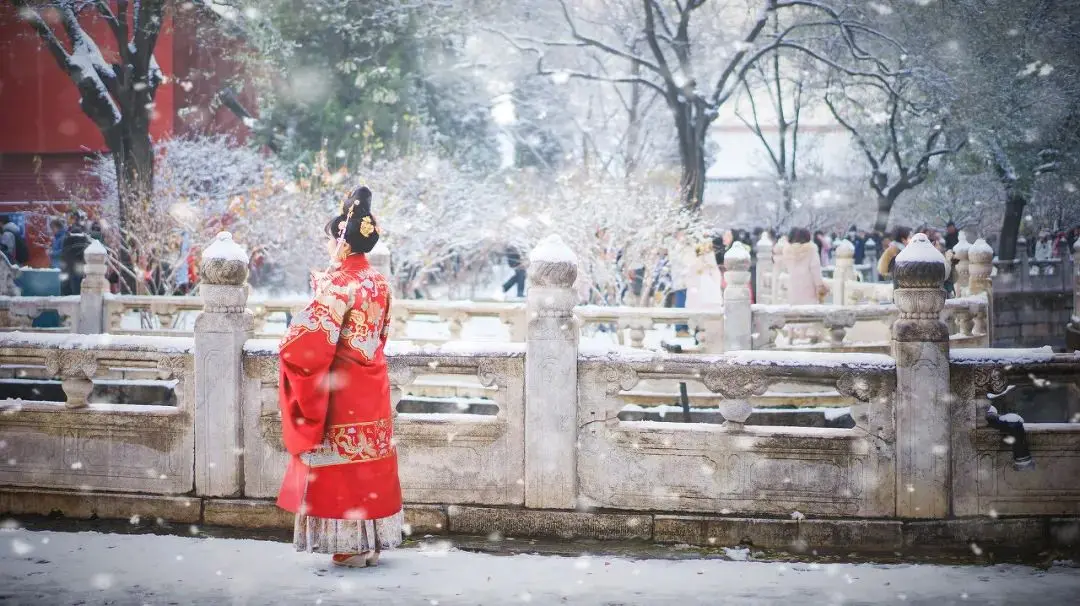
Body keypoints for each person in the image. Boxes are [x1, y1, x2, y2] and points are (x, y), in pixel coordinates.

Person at [276, 185, 403, 569]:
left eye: (331, 240)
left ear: (341, 243)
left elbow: (312, 343)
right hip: (372, 385)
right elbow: (380, 334)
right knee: (369, 463)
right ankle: (372, 542)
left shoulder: (339, 284)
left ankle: (347, 544)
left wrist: (289, 342)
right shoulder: (379, 283)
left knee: (341, 469)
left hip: (342, 389)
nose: (329, 247)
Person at [784, 228, 826, 305]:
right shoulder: (811, 251)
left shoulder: (788, 251)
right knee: (808, 315)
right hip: (809, 290)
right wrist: (820, 286)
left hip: (793, 289)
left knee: (794, 314)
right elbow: (816, 271)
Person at [60, 224, 92, 295]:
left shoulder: (67, 239)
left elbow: (64, 253)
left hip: (69, 265)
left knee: (67, 284)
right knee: (78, 283)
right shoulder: (85, 240)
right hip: (80, 265)